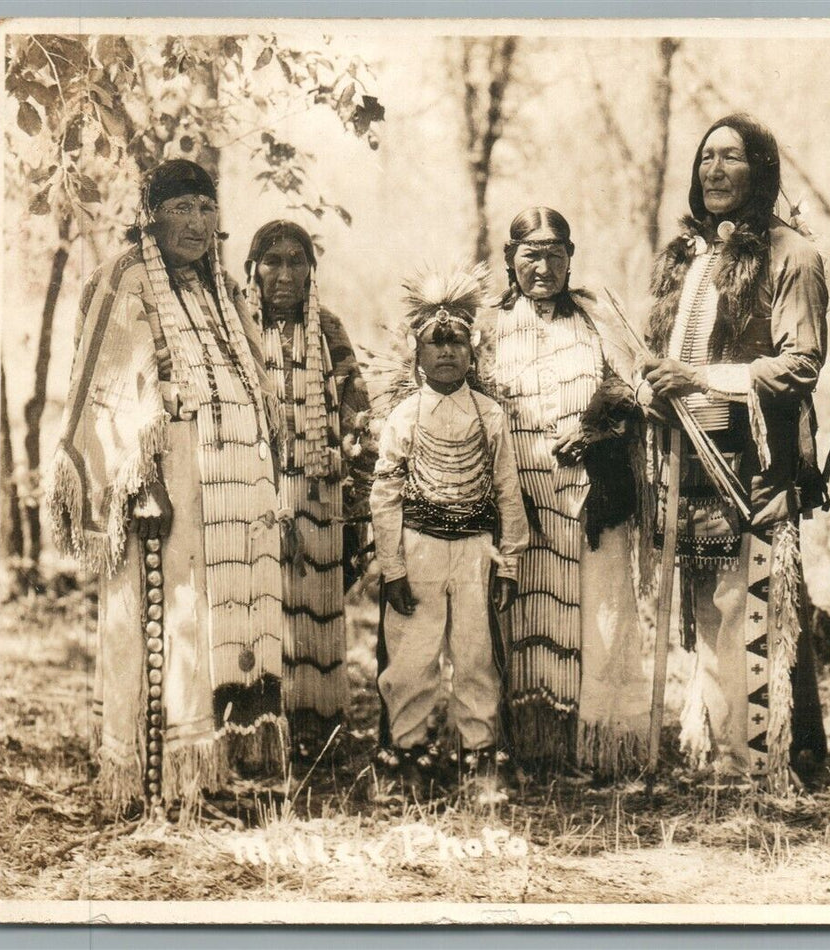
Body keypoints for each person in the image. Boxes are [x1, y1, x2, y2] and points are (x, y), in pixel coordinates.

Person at [47, 159, 286, 816]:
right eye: (182, 209)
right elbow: (106, 390)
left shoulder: (223, 290)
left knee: (216, 624)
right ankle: (160, 787)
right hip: (165, 485)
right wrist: (142, 477)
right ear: (150, 217)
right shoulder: (124, 280)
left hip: (231, 492)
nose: (197, 223)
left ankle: (209, 774)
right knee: (170, 619)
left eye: (206, 209)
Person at [640, 113, 828, 785]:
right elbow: (662, 354)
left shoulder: (791, 254)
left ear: (762, 170)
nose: (714, 170)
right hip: (685, 462)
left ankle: (775, 760)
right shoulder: (686, 255)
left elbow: (801, 363)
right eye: (706, 158)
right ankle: (721, 753)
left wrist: (700, 380)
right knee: (705, 608)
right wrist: (653, 390)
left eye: (732, 157)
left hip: (753, 462)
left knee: (756, 608)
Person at [475, 207, 651, 778]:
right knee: (526, 615)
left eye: (555, 254)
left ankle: (601, 747)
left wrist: (594, 428)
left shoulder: (597, 318)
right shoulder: (487, 326)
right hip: (520, 498)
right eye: (531, 254)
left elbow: (633, 387)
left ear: (571, 257)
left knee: (601, 616)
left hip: (591, 495)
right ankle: (533, 745)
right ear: (510, 259)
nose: (544, 267)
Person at [368, 267, 529, 797]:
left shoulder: (490, 416)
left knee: (476, 654)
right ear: (416, 353)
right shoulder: (404, 417)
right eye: (434, 343)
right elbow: (385, 496)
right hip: (418, 549)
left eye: (456, 341)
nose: (446, 352)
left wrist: (508, 564)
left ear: (472, 352)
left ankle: (479, 756)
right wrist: (393, 569)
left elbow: (507, 490)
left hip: (476, 550)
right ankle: (406, 754)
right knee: (412, 655)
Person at [245, 220, 376, 761]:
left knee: (315, 614)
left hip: (320, 497)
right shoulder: (237, 327)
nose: (284, 274)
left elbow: (358, 421)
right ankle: (260, 734)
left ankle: (317, 731)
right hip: (250, 494)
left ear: (311, 271)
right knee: (258, 614)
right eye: (272, 261)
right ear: (252, 269)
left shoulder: (328, 329)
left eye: (295, 261)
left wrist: (358, 500)